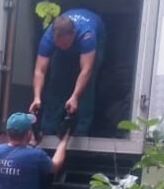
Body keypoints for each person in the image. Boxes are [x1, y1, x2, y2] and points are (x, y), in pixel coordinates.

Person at [29, 9, 106, 137]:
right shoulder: (48, 37)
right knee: (56, 83)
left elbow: (86, 70)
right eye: (57, 44)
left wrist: (75, 97)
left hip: (96, 39)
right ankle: (49, 128)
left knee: (87, 85)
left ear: (73, 34)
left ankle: (80, 130)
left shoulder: (87, 35)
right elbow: (39, 71)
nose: (61, 46)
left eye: (64, 43)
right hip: (67, 42)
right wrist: (36, 97)